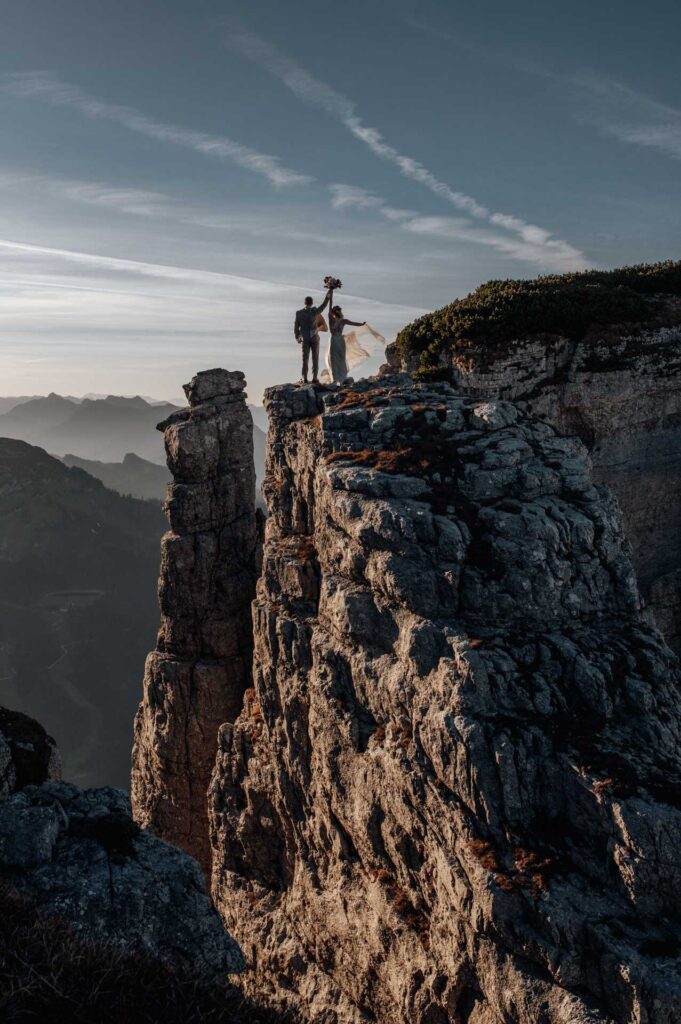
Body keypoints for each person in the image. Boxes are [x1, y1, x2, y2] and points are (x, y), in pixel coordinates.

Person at [294, 290, 331, 384]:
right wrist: (328, 296)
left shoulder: (299, 313)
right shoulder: (315, 311)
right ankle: (314, 378)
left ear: (304, 303)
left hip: (305, 338)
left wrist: (297, 337)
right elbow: (323, 306)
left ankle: (305, 378)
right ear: (312, 303)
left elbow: (296, 327)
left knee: (305, 359)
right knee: (315, 358)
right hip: (314, 338)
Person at [327, 303, 366, 384]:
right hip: (339, 340)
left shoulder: (333, 320)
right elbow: (354, 323)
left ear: (333, 313)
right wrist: (362, 324)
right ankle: (339, 378)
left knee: (335, 359)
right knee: (339, 359)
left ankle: (336, 379)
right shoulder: (342, 321)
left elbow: (354, 323)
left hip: (335, 339)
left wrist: (330, 295)